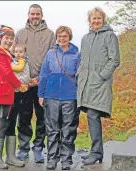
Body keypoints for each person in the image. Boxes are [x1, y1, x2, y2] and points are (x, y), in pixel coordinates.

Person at [76, 7, 120, 165]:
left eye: (98, 18)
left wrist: (102, 75)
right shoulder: (85, 38)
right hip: (86, 84)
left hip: (100, 84)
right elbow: (83, 61)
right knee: (90, 116)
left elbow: (114, 60)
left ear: (103, 19)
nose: (96, 21)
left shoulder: (110, 36)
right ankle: (96, 152)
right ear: (89, 20)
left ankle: (95, 152)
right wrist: (78, 76)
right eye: (93, 18)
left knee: (93, 115)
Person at [14, 3, 56, 163]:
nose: (35, 17)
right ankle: (23, 148)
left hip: (42, 84)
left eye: (38, 14)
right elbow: (14, 58)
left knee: (42, 117)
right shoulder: (20, 33)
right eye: (33, 14)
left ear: (42, 15)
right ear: (28, 14)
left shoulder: (50, 34)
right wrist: (23, 80)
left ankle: (38, 147)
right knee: (24, 117)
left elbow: (52, 59)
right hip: (23, 85)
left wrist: (38, 79)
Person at [38, 26, 81, 170]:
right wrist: (41, 94)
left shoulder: (77, 54)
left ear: (70, 37)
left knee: (69, 129)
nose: (62, 39)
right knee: (52, 129)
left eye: (65, 36)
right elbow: (43, 74)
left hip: (70, 96)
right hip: (51, 96)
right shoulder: (50, 54)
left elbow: (80, 77)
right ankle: (52, 159)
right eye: (59, 36)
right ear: (56, 37)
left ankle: (66, 160)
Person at [0, 25, 28, 169]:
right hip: (4, 95)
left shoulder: (8, 54)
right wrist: (20, 85)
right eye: (7, 37)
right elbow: (7, 72)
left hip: (12, 95)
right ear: (0, 38)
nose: (9, 40)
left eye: (12, 38)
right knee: (4, 125)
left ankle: (11, 157)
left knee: (12, 125)